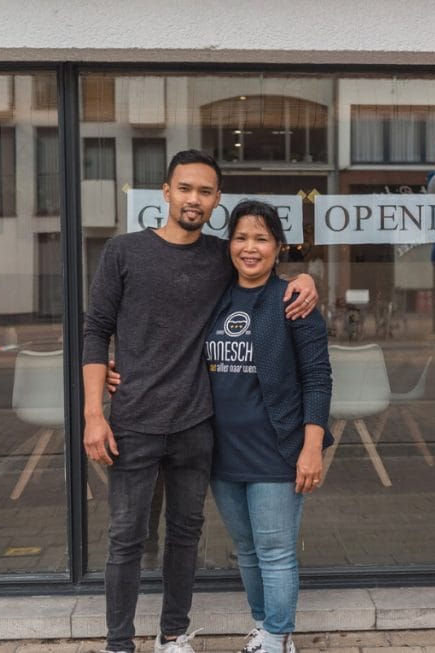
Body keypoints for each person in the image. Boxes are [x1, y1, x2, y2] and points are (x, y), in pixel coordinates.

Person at [81, 150, 318, 653]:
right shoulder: (123, 252)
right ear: (165, 192)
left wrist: (305, 278)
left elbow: (265, 268)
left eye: (205, 192)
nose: (194, 199)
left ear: (216, 200)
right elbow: (96, 330)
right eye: (185, 188)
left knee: (186, 534)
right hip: (135, 422)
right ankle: (119, 644)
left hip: (196, 425)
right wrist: (93, 412)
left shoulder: (220, 255)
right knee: (126, 537)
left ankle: (172, 634)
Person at [204, 200, 332, 653]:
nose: (250, 248)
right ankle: (263, 626)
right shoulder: (213, 297)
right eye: (241, 237)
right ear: (229, 245)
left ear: (278, 247)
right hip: (221, 450)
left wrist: (312, 445)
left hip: (278, 448)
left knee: (276, 552)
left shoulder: (295, 299)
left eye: (261, 238)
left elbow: (318, 378)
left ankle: (279, 637)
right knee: (246, 550)